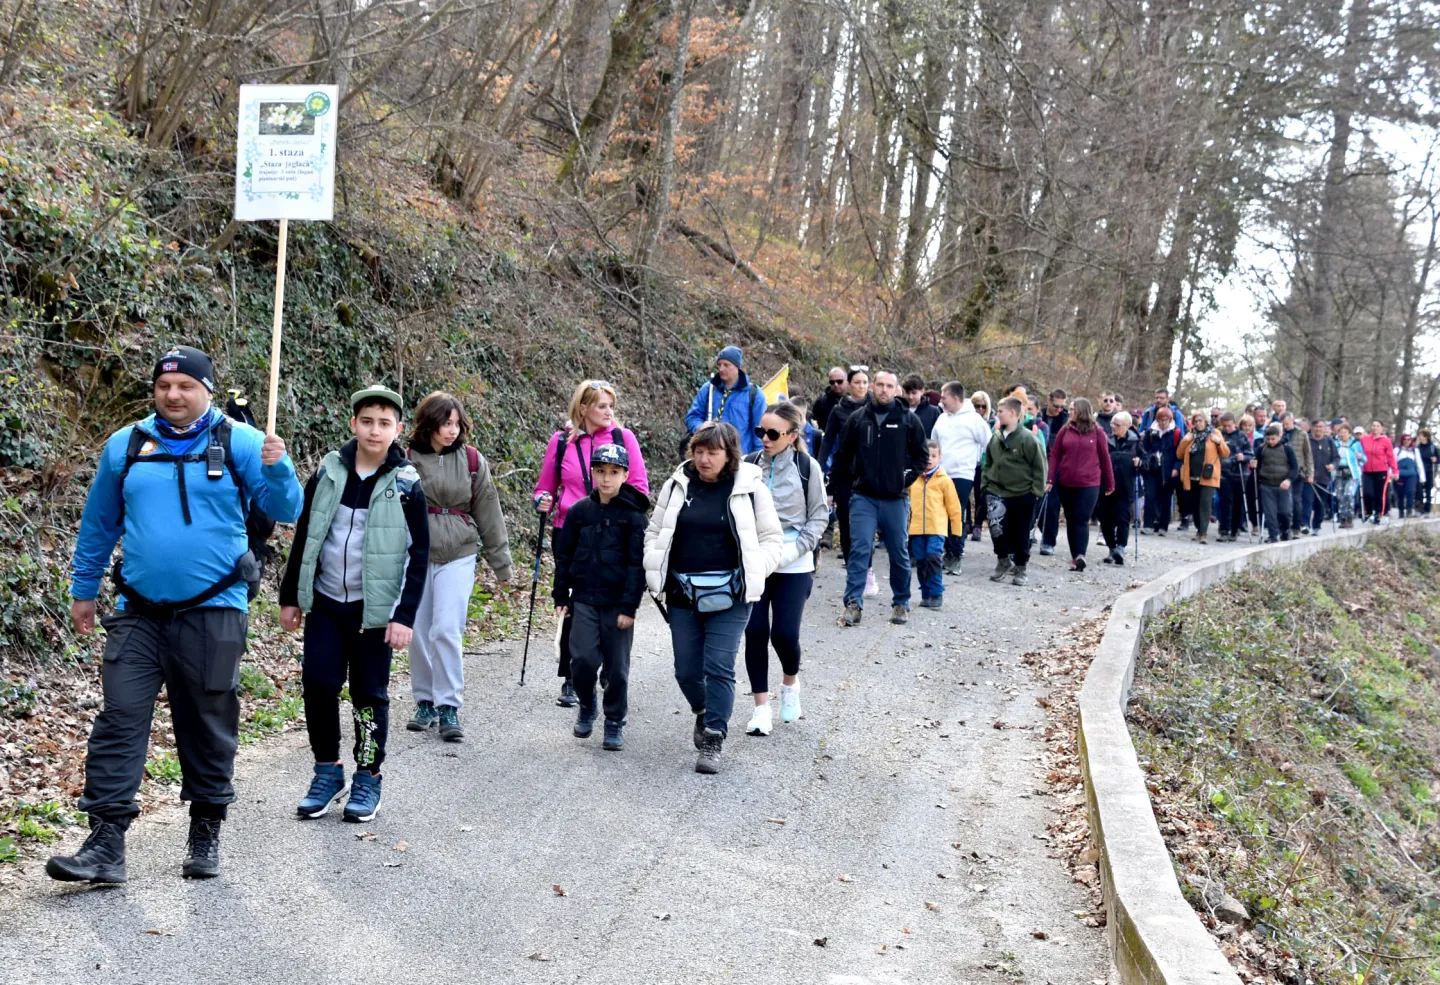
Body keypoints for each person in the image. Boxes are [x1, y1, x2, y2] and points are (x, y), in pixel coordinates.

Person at [50, 347, 303, 884]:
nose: (173, 395)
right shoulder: (126, 446)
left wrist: (279, 472)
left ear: (208, 390)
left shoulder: (243, 443)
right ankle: (105, 843)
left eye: (186, 386)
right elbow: (99, 524)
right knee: (119, 720)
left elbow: (288, 510)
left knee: (207, 722)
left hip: (215, 610)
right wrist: (84, 589)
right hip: (137, 613)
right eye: (165, 386)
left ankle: (205, 831)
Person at [280, 385, 430, 824]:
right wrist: (291, 597)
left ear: (397, 429)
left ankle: (368, 775)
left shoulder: (405, 484)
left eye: (384, 423)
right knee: (318, 685)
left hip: (375, 612)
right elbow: (306, 533)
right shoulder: (328, 472)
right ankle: (327, 771)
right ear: (353, 425)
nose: (374, 430)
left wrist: (404, 615)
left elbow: (420, 553)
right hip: (327, 602)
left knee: (368, 695)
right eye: (367, 421)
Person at [644, 422, 783, 773]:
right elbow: (655, 530)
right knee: (686, 670)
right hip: (682, 592)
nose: (704, 459)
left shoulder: (750, 488)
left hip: (732, 595)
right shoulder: (677, 485)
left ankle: (713, 736)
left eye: (713, 452)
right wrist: (652, 563)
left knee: (719, 665)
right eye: (699, 451)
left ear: (729, 455)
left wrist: (755, 570)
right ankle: (703, 711)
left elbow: (772, 539)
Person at [403, 392, 512, 742]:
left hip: (459, 552)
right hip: (415, 552)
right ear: (429, 424)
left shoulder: (472, 460)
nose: (452, 430)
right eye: (444, 423)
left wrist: (502, 563)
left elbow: (489, 512)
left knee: (446, 629)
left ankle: (448, 704)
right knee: (418, 631)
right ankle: (425, 701)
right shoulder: (405, 459)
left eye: (456, 424)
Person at [534, 380, 650, 708]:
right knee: (573, 601)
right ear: (583, 408)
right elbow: (545, 487)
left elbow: (640, 489)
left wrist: (608, 502)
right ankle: (572, 675)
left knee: (607, 600)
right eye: (602, 406)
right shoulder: (560, 443)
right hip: (571, 529)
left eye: (611, 405)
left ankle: (608, 667)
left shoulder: (622, 439)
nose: (609, 412)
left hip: (614, 530)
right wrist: (542, 499)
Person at [551, 443, 648, 751]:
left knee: (617, 668)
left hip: (618, 604)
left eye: (614, 473)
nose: (607, 479)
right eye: (601, 471)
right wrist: (560, 594)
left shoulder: (633, 517)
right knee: (580, 659)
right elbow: (564, 556)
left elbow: (638, 564)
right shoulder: (580, 512)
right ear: (592, 473)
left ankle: (614, 721)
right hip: (583, 600)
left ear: (625, 475)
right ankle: (587, 704)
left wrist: (630, 606)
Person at [742, 401, 829, 736]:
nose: (765, 438)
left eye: (773, 433)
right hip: (755, 558)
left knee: (785, 634)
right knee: (754, 631)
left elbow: (819, 515)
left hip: (795, 558)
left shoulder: (808, 467)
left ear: (793, 436)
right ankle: (761, 709)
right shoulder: (748, 465)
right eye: (760, 431)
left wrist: (795, 549)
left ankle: (790, 683)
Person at [830, 370, 929, 627]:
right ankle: (853, 604)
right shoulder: (858, 418)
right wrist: (839, 485)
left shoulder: (908, 420)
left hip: (895, 498)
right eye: (880, 385)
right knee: (859, 548)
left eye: (889, 386)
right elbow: (842, 455)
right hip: (864, 497)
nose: (884, 390)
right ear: (872, 387)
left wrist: (904, 479)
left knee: (898, 551)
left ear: (896, 390)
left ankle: (900, 603)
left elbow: (921, 455)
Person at [983, 396, 1048, 587]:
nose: (998, 414)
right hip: (996, 491)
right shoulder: (996, 437)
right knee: (996, 530)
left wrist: (1036, 491)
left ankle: (1021, 566)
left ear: (1012, 413)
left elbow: (1040, 466)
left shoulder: (1028, 438)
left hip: (1022, 493)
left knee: (1021, 532)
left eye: (1001, 411)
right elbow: (988, 461)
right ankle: (1003, 560)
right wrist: (985, 485)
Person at [1046, 397, 1113, 570]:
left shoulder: (1097, 432)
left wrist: (1109, 482)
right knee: (1071, 519)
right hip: (1066, 482)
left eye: (1072, 409)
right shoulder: (1065, 430)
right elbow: (1055, 454)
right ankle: (1075, 556)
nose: (1069, 412)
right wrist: (1050, 478)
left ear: (1081, 411)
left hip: (1089, 484)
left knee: (1081, 518)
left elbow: (1105, 458)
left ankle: (1081, 555)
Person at [931, 381, 990, 575]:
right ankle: (945, 551)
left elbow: (989, 444)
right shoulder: (942, 419)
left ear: (955, 398)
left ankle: (955, 554)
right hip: (940, 474)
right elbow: (934, 444)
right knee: (940, 514)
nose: (941, 400)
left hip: (962, 474)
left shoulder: (974, 420)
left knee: (956, 514)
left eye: (944, 397)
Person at [819, 367, 870, 566]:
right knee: (846, 518)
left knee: (866, 519)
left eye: (865, 382)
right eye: (857, 382)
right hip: (845, 470)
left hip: (870, 471)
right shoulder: (839, 410)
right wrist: (820, 466)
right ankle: (850, 560)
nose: (861, 387)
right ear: (849, 385)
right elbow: (828, 440)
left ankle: (866, 564)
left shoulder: (875, 406)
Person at [908, 440, 965, 608]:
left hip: (937, 528)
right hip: (917, 528)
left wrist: (957, 529)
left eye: (933, 456)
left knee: (933, 557)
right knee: (921, 561)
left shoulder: (944, 480)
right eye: (926, 455)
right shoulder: (914, 479)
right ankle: (926, 594)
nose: (929, 459)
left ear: (940, 458)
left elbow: (954, 507)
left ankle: (937, 593)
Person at [684, 345, 767, 455]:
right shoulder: (708, 389)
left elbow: (759, 431)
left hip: (741, 459)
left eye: (726, 365)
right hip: (710, 455)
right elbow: (692, 417)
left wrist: (757, 459)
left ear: (737, 366)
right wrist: (700, 427)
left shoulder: (754, 394)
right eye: (719, 364)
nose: (721, 369)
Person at [1176, 412, 1229, 545]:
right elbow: (1179, 454)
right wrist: (1185, 440)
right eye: (1195, 421)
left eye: (1201, 420)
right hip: (1192, 475)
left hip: (1208, 475)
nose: (1198, 423)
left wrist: (1218, 442)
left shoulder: (1215, 433)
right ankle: (1199, 530)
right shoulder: (1190, 436)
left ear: (1205, 422)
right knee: (1195, 505)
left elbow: (1225, 453)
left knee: (1205, 504)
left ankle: (1204, 534)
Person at [1099, 411, 1141, 564]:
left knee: (1123, 518)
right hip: (1106, 486)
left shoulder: (1135, 442)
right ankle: (1111, 548)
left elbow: (1147, 461)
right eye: (1112, 424)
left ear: (1127, 426)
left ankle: (1121, 548)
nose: (1114, 427)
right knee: (1106, 519)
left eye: (1117, 425)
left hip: (1125, 486)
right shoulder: (1106, 440)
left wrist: (1139, 462)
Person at [1036, 389, 1070, 555]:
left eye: (1061, 406)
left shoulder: (1066, 420)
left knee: (1052, 504)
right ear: (1048, 401)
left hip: (1056, 465)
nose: (1058, 409)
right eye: (1056, 405)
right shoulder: (1039, 416)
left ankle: (1049, 540)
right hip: (1037, 463)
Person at [1141, 406, 1182, 535]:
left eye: (1165, 420)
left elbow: (1180, 454)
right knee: (1150, 495)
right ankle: (1148, 523)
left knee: (1165, 498)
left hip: (1169, 471)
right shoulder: (1151, 432)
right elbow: (1143, 449)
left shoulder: (1176, 433)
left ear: (1170, 420)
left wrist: (1176, 468)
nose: (1163, 423)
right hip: (1152, 469)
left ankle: (1163, 525)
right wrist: (1147, 459)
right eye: (1160, 420)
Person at [1253, 423, 1298, 542]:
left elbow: (1294, 467)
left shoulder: (1287, 449)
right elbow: (1256, 465)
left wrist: (1288, 480)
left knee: (1284, 511)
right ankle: (1273, 535)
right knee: (1270, 512)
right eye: (1268, 439)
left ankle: (1285, 530)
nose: (1271, 441)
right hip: (1266, 484)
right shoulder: (1261, 449)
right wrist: (1253, 465)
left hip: (1283, 484)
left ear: (1280, 436)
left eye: (1273, 439)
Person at [1216, 413, 1250, 542]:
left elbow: (1250, 453)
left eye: (1229, 426)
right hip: (1223, 473)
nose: (1227, 428)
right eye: (1224, 426)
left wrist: (1244, 457)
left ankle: (1235, 529)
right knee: (1225, 501)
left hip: (1239, 473)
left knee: (1237, 502)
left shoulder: (1241, 436)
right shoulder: (1219, 435)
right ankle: (1224, 529)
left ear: (1235, 424)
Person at [1279, 413, 1314, 534]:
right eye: (1284, 424)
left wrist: (1310, 473)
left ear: (1293, 421)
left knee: (1296, 500)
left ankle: (1296, 526)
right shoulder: (1279, 434)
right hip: (1282, 470)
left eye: (1288, 423)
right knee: (1284, 500)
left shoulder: (1302, 434)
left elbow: (1308, 454)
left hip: (1298, 471)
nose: (1286, 426)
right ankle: (1284, 526)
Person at [1359, 420, 1398, 523]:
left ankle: (1380, 514)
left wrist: (1395, 470)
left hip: (1381, 470)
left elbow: (1390, 456)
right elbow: (1359, 452)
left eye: (1377, 426)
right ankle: (1369, 512)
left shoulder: (1386, 440)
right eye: (1373, 426)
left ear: (1382, 428)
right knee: (1367, 493)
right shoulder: (1364, 439)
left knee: (1379, 494)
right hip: (1367, 470)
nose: (1375, 428)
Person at [970, 390, 994, 540]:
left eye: (982, 407)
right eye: (976, 406)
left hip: (982, 464)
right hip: (968, 462)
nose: (979, 410)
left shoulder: (991, 422)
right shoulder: (967, 421)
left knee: (981, 495)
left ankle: (978, 524)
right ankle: (966, 523)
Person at [1307, 419, 1339, 532]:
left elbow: (1336, 457)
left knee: (1320, 503)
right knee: (1307, 501)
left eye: (1321, 427)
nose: (1318, 429)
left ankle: (1316, 526)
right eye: (1316, 426)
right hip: (1308, 477)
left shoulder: (1329, 441)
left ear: (1325, 428)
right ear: (1312, 427)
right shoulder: (1307, 440)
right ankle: (1305, 524)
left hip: (1323, 477)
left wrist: (1333, 465)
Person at [1333, 423, 1366, 528]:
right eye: (1341, 432)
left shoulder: (1355, 444)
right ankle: (1342, 518)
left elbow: (1364, 459)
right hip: (1338, 473)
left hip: (1351, 473)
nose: (1342, 434)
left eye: (1345, 432)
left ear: (1349, 434)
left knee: (1349, 494)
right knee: (1340, 495)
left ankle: (1349, 518)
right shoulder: (1336, 444)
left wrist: (1360, 457)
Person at [1238, 413, 1260, 531]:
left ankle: (1255, 524)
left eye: (1250, 425)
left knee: (1252, 498)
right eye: (1245, 425)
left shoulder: (1258, 438)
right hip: (1240, 470)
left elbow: (1259, 453)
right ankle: (1241, 522)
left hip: (1253, 472)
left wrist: (1255, 461)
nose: (1247, 428)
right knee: (1240, 498)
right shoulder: (1238, 438)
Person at [1396, 433, 1422, 518]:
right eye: (1405, 440)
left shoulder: (1415, 451)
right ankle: (1401, 511)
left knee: (1410, 492)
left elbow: (1419, 464)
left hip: (1411, 475)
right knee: (1400, 494)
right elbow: (1392, 463)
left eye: (1408, 440)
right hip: (1400, 475)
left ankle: (1409, 510)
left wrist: (1422, 477)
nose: (1406, 441)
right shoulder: (1397, 450)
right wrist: (1392, 474)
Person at [1418, 428, 1438, 514]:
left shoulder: (1433, 447)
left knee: (1428, 490)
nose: (1420, 437)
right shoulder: (1417, 448)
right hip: (1419, 471)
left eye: (1421, 436)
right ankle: (1420, 509)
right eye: (1419, 436)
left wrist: (1435, 459)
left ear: (1426, 437)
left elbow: (1438, 459)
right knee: (1419, 490)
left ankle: (1427, 509)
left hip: (1429, 471)